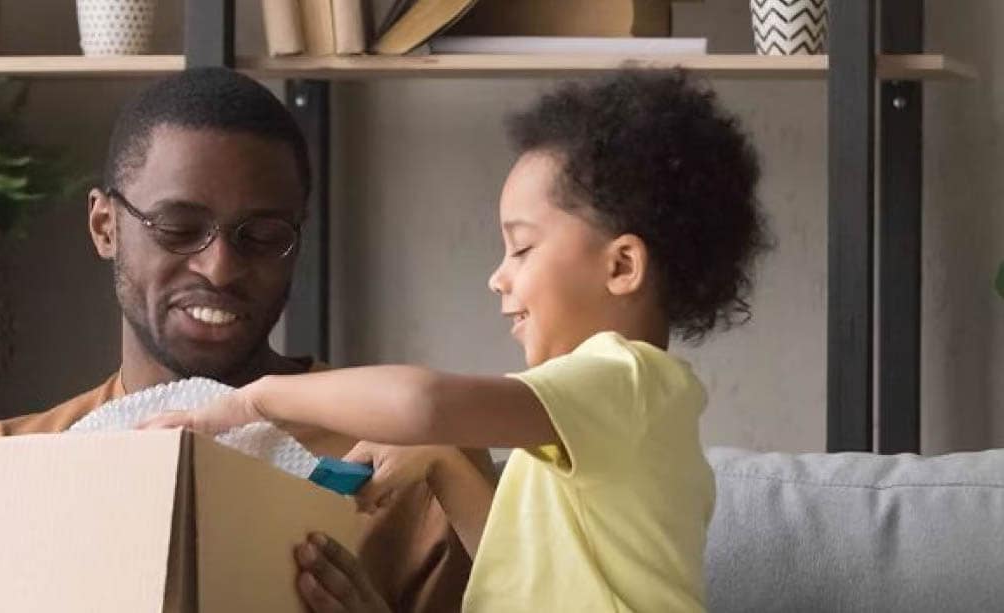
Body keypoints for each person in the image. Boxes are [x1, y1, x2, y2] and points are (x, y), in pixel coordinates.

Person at [0, 67, 490, 612]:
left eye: (263, 236)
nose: (220, 267)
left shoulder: (411, 464)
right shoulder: (13, 458)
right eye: (178, 229)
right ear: (104, 226)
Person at [145, 69, 770, 612]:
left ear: (621, 267)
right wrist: (441, 463)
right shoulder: (596, 417)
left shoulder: (624, 379)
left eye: (522, 247)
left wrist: (260, 399)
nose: (498, 276)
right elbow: (525, 574)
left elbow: (423, 404)